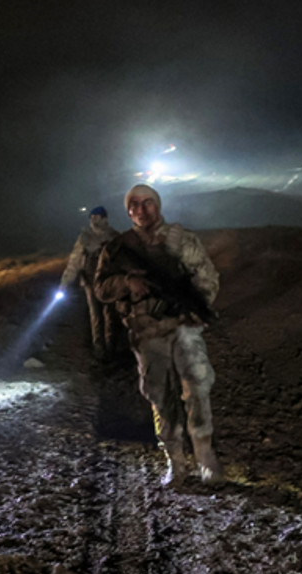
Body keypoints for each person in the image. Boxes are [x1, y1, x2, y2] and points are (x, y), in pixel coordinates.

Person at [94, 184, 224, 485]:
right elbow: (101, 288)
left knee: (197, 386)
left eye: (147, 203)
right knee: (159, 396)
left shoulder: (182, 239)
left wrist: (195, 306)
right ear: (128, 211)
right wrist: (127, 282)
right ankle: (175, 462)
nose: (141, 210)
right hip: (147, 332)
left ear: (158, 205)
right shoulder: (117, 248)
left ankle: (205, 457)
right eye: (134, 205)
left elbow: (207, 277)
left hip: (183, 326)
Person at [59, 206, 121, 360]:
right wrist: (65, 282)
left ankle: (111, 349)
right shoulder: (85, 237)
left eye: (96, 217)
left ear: (104, 219)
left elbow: (123, 260)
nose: (93, 220)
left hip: (109, 280)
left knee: (110, 315)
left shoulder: (114, 237)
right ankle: (99, 349)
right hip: (90, 279)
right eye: (91, 217)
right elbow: (75, 261)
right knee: (96, 315)